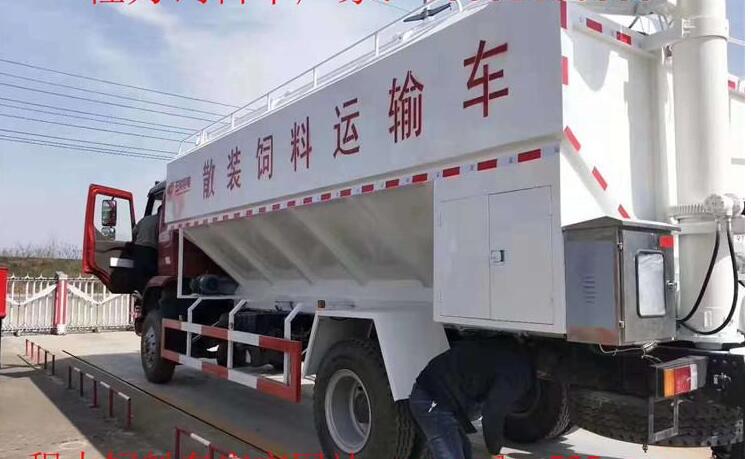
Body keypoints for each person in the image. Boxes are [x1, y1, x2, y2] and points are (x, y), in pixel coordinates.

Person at [409, 336, 534, 458]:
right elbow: (492, 413)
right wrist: (494, 450)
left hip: (444, 394)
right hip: (432, 398)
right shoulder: (516, 376)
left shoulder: (514, 360)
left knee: (465, 450)